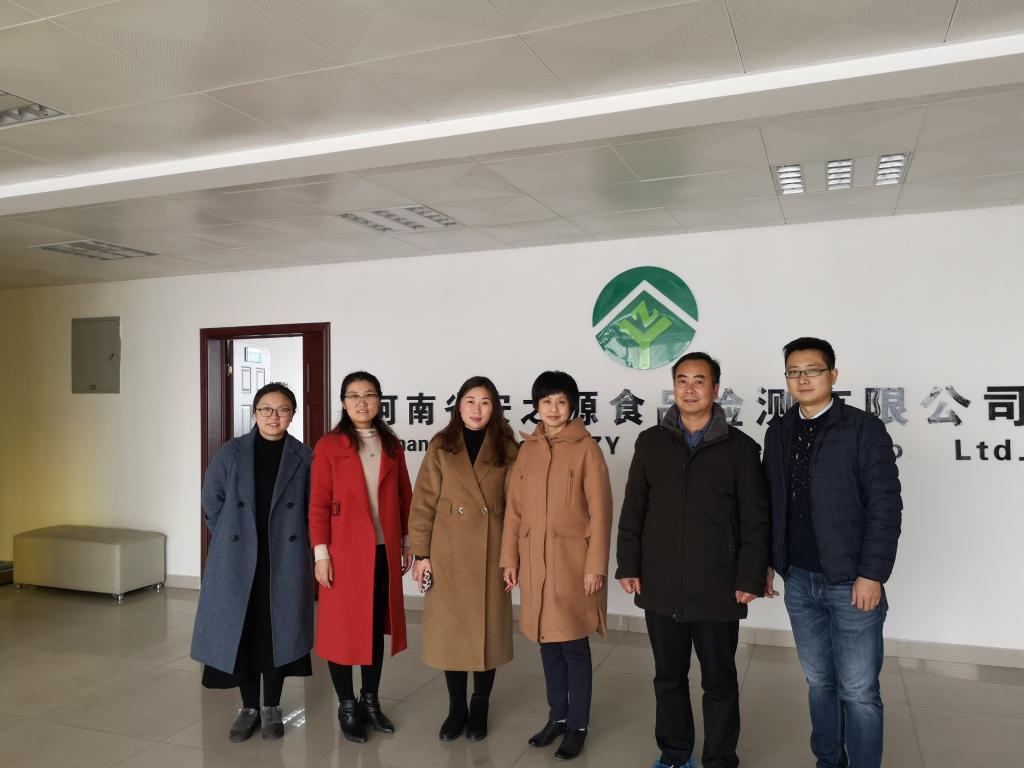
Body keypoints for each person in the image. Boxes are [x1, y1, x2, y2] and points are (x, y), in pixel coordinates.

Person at [616, 352, 771, 768]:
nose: (689, 389)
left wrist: (750, 576)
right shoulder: (651, 442)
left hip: (717, 588)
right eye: (682, 380)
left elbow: (755, 520)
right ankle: (674, 753)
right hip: (660, 583)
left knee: (719, 681)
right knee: (668, 677)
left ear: (716, 389)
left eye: (699, 381)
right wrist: (628, 564)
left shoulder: (740, 449)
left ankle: (720, 757)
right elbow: (634, 509)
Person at [762, 337, 902, 768]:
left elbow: (885, 505)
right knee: (819, 681)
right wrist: (769, 562)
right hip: (798, 579)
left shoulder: (862, 429)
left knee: (859, 690)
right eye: (793, 372)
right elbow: (771, 503)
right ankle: (828, 761)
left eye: (813, 370)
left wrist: (872, 574)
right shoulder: (779, 430)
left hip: (851, 581)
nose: (802, 379)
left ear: (833, 375)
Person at [191, 382, 313, 742]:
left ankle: (271, 706)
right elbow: (211, 498)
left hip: (283, 558)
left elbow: (314, 507)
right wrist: (231, 534)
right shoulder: (232, 452)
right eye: (266, 409)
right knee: (242, 632)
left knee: (275, 633)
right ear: (255, 413)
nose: (274, 417)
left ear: (292, 415)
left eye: (282, 410)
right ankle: (248, 708)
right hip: (238, 559)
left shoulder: (304, 456)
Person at [500, 370, 612, 762]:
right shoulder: (527, 449)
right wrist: (509, 558)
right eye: (546, 401)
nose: (553, 409)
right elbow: (514, 511)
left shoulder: (587, 449)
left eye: (561, 401)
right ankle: (557, 717)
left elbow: (601, 513)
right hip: (535, 563)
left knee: (574, 645)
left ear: (572, 406)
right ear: (536, 406)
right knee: (547, 643)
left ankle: (578, 725)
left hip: (572, 564)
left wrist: (595, 565)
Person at [408, 376, 519, 742]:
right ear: (458, 405)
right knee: (450, 635)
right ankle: (456, 707)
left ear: (494, 408)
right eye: (470, 401)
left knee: (488, 634)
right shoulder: (442, 444)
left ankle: (480, 705)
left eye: (485, 402)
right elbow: (423, 503)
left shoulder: (507, 447)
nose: (476, 409)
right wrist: (421, 554)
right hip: (448, 552)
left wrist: (513, 556)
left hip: (492, 551)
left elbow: (517, 508)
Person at [309, 371, 413, 743]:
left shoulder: (391, 444)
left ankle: (370, 701)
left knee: (372, 628)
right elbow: (318, 504)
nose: (362, 402)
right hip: (343, 553)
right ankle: (347, 705)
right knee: (341, 629)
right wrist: (321, 554)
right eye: (353, 396)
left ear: (379, 401)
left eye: (369, 395)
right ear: (343, 402)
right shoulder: (329, 445)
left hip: (383, 550)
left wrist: (406, 541)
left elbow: (404, 496)